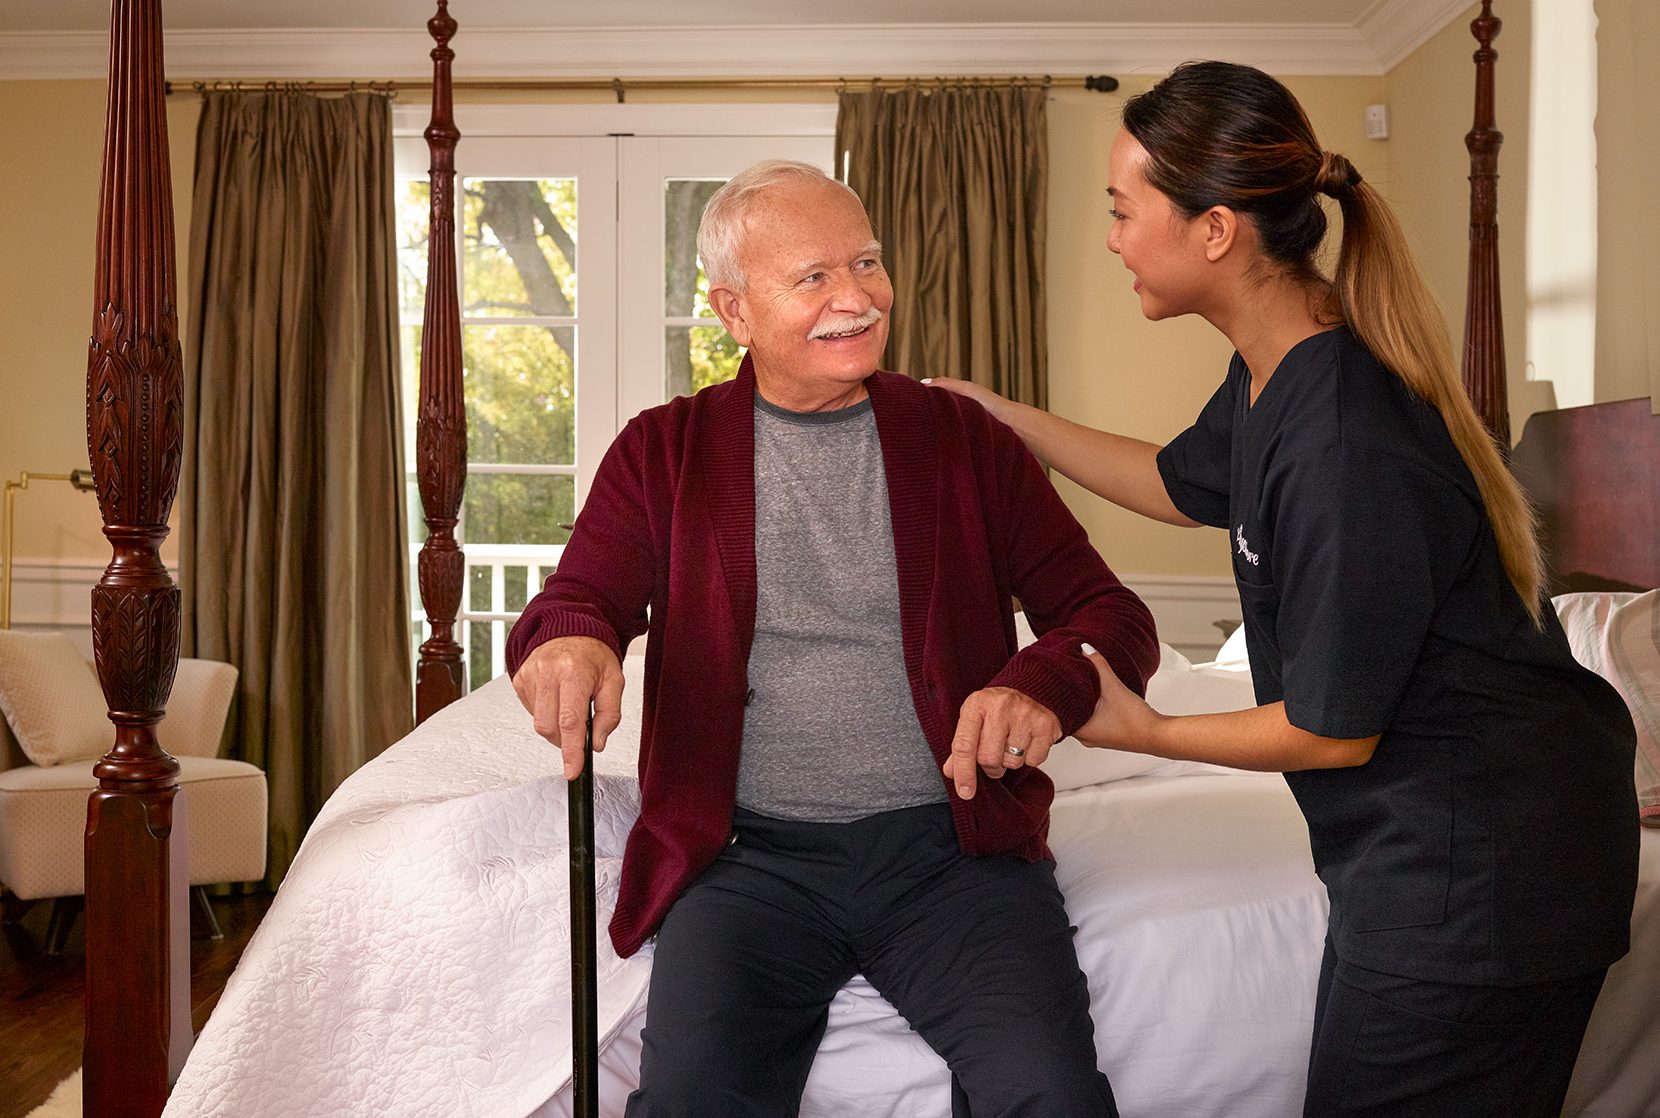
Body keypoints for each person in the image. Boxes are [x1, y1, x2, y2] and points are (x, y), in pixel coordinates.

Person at [929, 61, 1638, 1118]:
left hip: (1484, 874)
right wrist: (999, 413)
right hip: (1431, 859)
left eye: (1125, 212)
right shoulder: (1277, 368)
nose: (1114, 237)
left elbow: (1331, 729)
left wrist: (1147, 728)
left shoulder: (1344, 438)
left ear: (1213, 229)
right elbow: (1174, 483)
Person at [506, 159, 1159, 1118]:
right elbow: (576, 601)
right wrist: (570, 644)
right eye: (812, 277)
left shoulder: (966, 440)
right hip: (743, 862)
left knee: (1053, 1098)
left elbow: (1109, 616)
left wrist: (1040, 681)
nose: (856, 298)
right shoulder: (663, 450)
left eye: (866, 262)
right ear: (733, 311)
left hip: (955, 854)